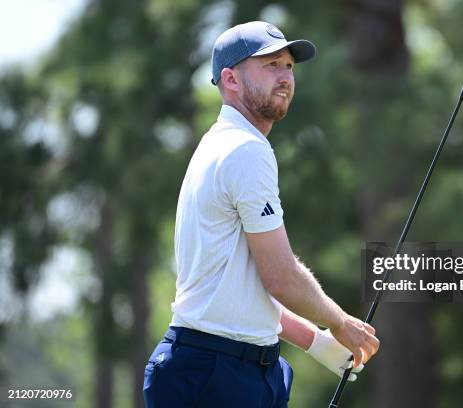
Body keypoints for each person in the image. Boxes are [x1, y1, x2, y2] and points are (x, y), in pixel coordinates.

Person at [143, 21, 380, 407]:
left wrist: (317, 341)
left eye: (289, 66)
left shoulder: (221, 144)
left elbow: (240, 289)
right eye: (271, 65)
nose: (285, 76)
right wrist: (340, 323)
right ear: (230, 79)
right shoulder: (245, 150)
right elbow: (280, 277)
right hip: (214, 373)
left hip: (227, 368)